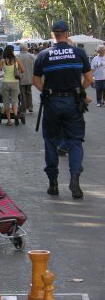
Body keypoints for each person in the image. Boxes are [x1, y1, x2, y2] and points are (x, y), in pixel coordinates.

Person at [33, 20, 94, 198]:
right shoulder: (79, 53)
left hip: (52, 103)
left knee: (51, 141)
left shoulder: (44, 55)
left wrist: (46, 92)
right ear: (68, 34)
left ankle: (53, 183)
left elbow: (36, 81)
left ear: (53, 35)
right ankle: (75, 176)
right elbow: (89, 79)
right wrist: (79, 91)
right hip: (73, 104)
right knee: (75, 142)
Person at [0, 45, 25, 126]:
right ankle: (15, 115)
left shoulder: (2, 61)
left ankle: (9, 121)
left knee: (6, 102)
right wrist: (18, 71)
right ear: (12, 51)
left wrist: (1, 76)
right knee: (15, 100)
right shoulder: (17, 60)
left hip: (5, 82)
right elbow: (23, 70)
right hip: (15, 82)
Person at [17, 43, 36, 113]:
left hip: (21, 78)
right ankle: (30, 107)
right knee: (29, 92)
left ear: (20, 48)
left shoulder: (17, 56)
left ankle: (23, 108)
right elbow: (35, 67)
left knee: (22, 94)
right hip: (30, 77)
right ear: (26, 48)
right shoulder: (31, 56)